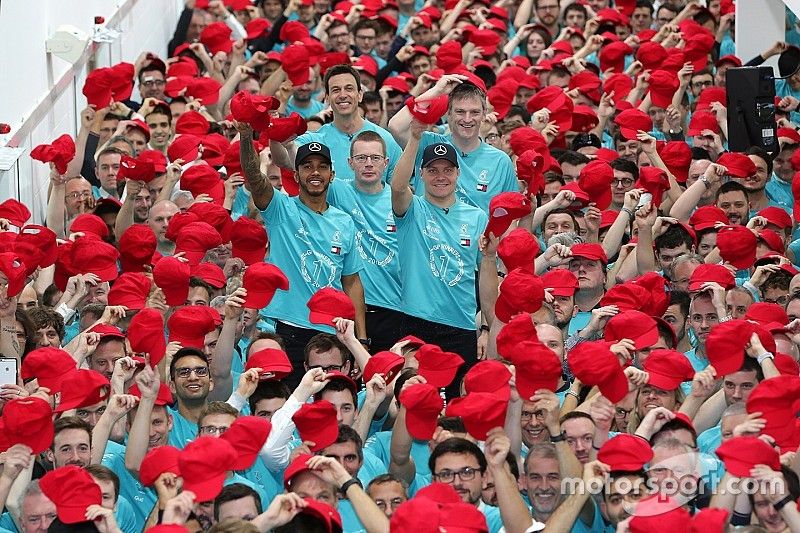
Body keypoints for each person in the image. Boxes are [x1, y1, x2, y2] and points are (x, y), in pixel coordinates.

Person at [238, 125, 367, 389]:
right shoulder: (281, 209)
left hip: (332, 332)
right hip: (288, 329)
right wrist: (245, 135)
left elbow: (352, 283)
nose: (315, 172)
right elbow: (253, 176)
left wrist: (360, 340)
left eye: (322, 166)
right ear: (296, 175)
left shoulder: (345, 222)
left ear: (332, 174)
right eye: (307, 166)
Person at [391, 130, 487, 397]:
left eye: (447, 170)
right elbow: (398, 187)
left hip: (462, 326)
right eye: (432, 170)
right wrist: (415, 137)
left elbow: (486, 276)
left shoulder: (477, 217)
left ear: (458, 174)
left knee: (457, 402)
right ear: (420, 174)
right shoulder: (413, 209)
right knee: (414, 399)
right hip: (416, 321)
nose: (440, 177)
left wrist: (486, 327)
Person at [327, 131, 403, 352]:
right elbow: (294, 165)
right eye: (361, 158)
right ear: (350, 163)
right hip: (345, 312)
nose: (368, 164)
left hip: (393, 308)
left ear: (386, 162)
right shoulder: (336, 191)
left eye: (375, 158)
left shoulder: (402, 201)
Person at [273, 65, 402, 182]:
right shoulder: (315, 140)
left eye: (349, 88)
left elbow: (398, 187)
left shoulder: (385, 139)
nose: (342, 95)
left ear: (360, 95)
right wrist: (274, 134)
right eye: (335, 90)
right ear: (327, 98)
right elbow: (283, 160)